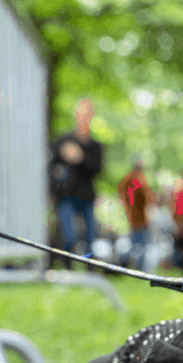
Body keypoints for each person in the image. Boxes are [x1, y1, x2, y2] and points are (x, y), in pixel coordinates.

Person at [49, 100, 103, 265]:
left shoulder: (95, 146)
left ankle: (89, 268)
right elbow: (51, 168)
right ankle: (68, 270)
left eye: (87, 113)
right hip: (66, 196)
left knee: (89, 237)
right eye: (81, 113)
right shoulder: (63, 141)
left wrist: (80, 158)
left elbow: (98, 168)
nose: (83, 117)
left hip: (86, 197)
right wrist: (52, 192)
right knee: (68, 236)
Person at [117, 159, 156, 271]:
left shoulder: (128, 180)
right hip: (141, 220)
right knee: (141, 246)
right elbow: (148, 200)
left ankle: (132, 266)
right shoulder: (140, 180)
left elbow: (122, 194)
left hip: (133, 218)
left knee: (135, 244)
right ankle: (138, 268)